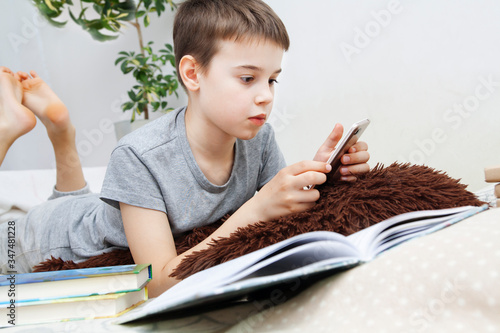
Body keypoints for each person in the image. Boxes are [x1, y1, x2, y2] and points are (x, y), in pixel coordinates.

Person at [0, 0, 369, 297]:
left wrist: (322, 179)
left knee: (79, 203)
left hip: (83, 207)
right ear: (192, 74)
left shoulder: (260, 140)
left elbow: (288, 219)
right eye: (247, 78)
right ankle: (8, 128)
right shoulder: (139, 155)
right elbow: (159, 283)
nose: (266, 95)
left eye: (272, 79)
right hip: (38, 239)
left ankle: (60, 127)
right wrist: (258, 207)